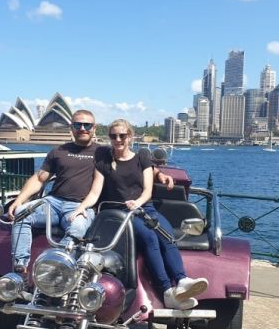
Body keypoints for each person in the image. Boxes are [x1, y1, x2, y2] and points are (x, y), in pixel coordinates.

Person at [8, 110, 173, 273]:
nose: (82, 128)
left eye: (87, 125)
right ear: (71, 128)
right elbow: (39, 178)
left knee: (77, 228)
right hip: (53, 202)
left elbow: (134, 162)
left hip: (81, 205)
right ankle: (20, 267)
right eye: (77, 124)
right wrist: (19, 200)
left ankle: (57, 269)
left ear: (94, 128)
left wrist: (160, 174)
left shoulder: (103, 152)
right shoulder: (58, 151)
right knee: (22, 213)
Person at [70, 119, 208, 310]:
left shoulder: (142, 156)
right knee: (150, 237)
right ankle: (167, 291)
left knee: (167, 235)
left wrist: (138, 202)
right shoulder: (104, 160)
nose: (118, 139)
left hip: (144, 208)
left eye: (122, 136)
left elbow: (147, 191)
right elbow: (95, 192)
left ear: (130, 137)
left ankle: (182, 280)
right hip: (119, 213)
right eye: (113, 136)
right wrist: (81, 208)